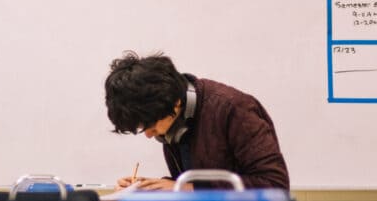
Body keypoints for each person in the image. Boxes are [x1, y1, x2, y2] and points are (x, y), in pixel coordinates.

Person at [105, 51, 289, 191]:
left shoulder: (234, 109)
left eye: (150, 126)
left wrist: (189, 189)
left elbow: (275, 185)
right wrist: (151, 188)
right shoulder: (175, 121)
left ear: (175, 104)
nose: (148, 135)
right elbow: (194, 182)